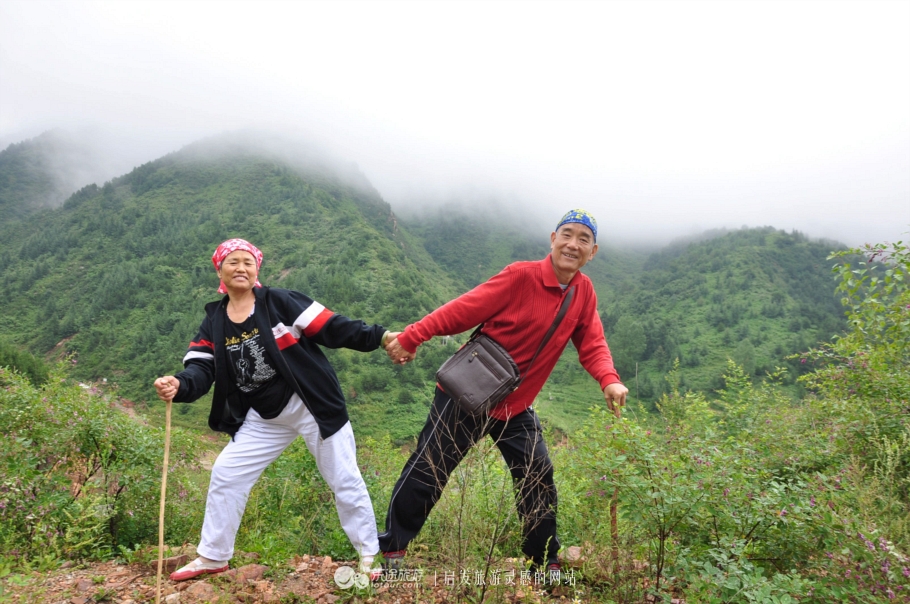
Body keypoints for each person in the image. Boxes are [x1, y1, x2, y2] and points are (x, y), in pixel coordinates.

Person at [380, 209, 628, 574]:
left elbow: (592, 343)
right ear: (553, 239)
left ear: (593, 252)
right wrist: (412, 336)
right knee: (430, 467)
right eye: (567, 234)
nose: (573, 244)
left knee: (537, 477)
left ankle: (543, 562)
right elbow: (462, 311)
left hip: (516, 405)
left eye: (583, 239)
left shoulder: (583, 293)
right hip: (466, 393)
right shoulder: (520, 276)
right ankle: (391, 551)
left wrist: (608, 378)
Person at [154, 238, 392, 581]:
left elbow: (334, 327)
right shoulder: (216, 321)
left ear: (257, 270)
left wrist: (381, 337)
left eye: (248, 262)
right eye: (233, 262)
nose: (241, 268)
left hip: (311, 405)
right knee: (227, 473)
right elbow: (201, 369)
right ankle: (213, 556)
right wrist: (178, 385)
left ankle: (369, 555)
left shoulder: (279, 302)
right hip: (265, 415)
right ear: (219, 270)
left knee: (343, 477)